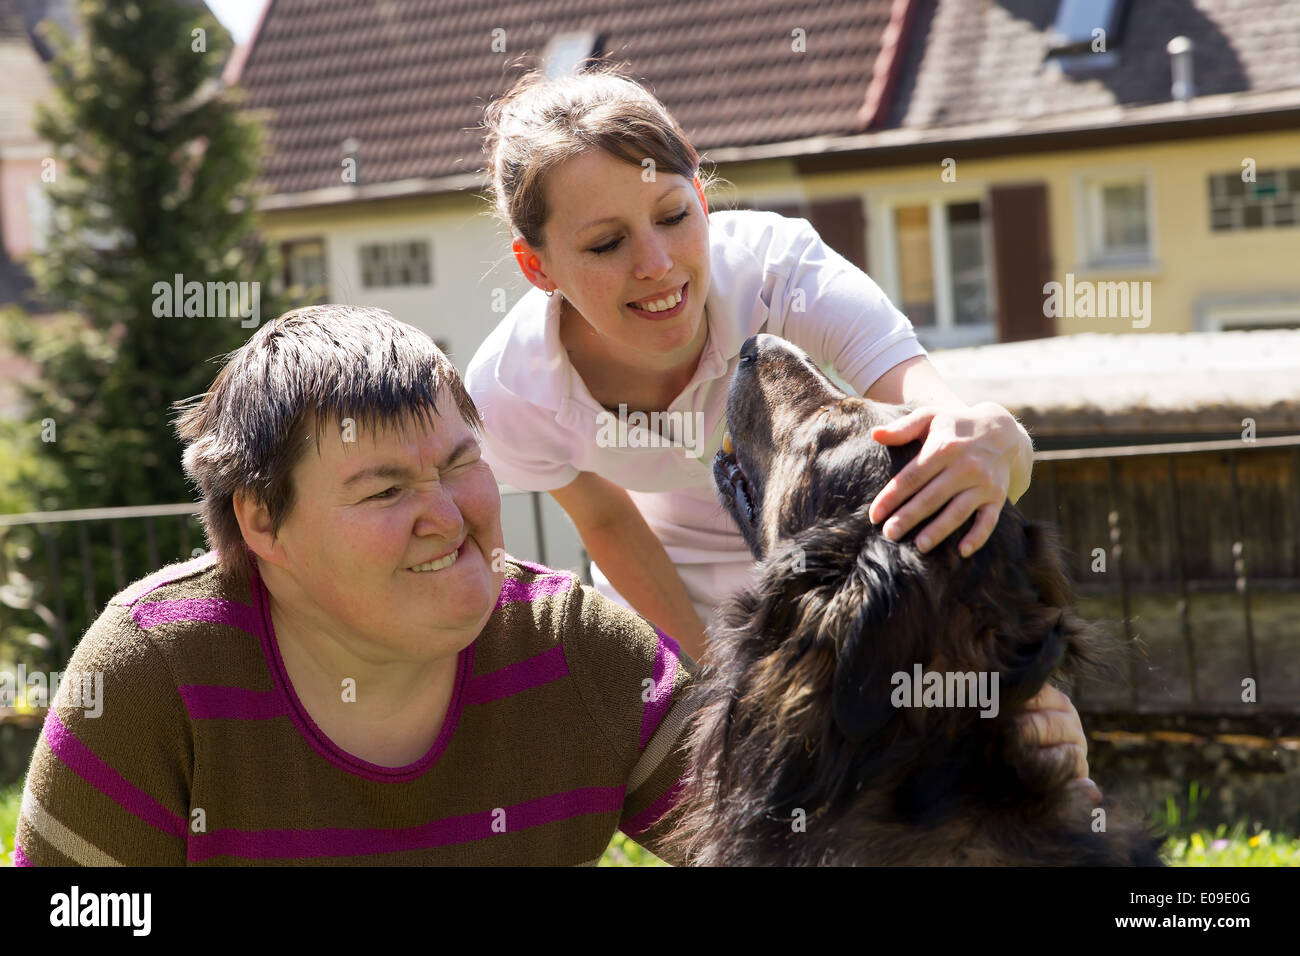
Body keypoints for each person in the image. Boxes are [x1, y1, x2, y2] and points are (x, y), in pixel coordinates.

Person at [466, 64, 1094, 794]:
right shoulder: (510, 388)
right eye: (606, 245)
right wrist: (728, 684)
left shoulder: (781, 271)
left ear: (703, 197)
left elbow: (936, 417)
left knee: (1032, 761)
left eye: (673, 215)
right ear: (537, 266)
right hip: (675, 586)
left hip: (847, 575)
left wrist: (996, 439)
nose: (657, 265)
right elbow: (607, 521)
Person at [15, 306, 697, 866]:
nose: (451, 518)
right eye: (387, 490)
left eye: (461, 465)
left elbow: (782, 834)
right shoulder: (152, 673)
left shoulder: (573, 647)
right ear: (263, 520)